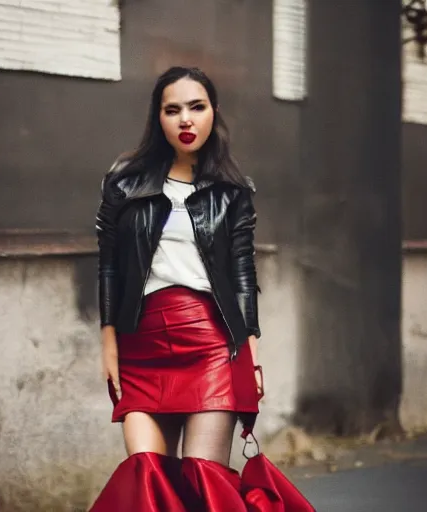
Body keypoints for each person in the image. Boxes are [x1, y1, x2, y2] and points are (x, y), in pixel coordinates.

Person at [89, 66, 315, 511]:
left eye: (197, 107)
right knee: (147, 475)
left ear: (214, 113)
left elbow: (243, 274)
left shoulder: (232, 191)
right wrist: (109, 343)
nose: (185, 120)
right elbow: (109, 266)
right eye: (173, 110)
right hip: (141, 345)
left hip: (211, 345)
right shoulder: (124, 181)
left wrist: (249, 352)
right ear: (159, 118)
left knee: (203, 481)